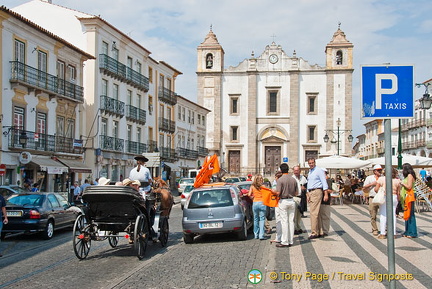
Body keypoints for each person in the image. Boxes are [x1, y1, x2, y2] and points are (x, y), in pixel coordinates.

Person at [273, 163, 298, 247]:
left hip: (283, 201)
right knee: (291, 221)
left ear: (281, 170)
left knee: (284, 221)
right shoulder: (293, 179)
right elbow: (296, 192)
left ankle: (284, 241)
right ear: (288, 169)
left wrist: (273, 192)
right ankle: (291, 240)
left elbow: (278, 192)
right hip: (291, 200)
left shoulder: (280, 180)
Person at [306, 158, 328, 240]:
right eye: (310, 163)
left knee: (313, 212)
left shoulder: (319, 170)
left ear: (315, 163)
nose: (311, 164)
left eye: (312, 163)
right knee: (316, 213)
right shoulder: (310, 172)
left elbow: (324, 182)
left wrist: (326, 194)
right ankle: (319, 231)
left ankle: (314, 232)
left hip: (317, 191)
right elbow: (309, 183)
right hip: (311, 192)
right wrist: (308, 194)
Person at [375, 168, 400, 239]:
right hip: (394, 197)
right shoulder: (397, 181)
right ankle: (393, 233)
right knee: (393, 215)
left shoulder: (381, 179)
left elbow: (376, 189)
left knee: (383, 214)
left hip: (385, 196)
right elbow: (398, 192)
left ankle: (382, 233)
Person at [362, 164, 382, 236]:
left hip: (382, 198)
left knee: (384, 215)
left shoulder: (383, 177)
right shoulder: (369, 178)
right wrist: (371, 184)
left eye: (381, 170)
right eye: (378, 170)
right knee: (373, 215)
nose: (380, 171)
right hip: (373, 197)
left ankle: (385, 229)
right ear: (374, 171)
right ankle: (375, 229)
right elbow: (364, 188)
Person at [247, 174, 268, 240]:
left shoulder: (252, 186)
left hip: (255, 202)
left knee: (255, 219)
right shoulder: (263, 186)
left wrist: (252, 198)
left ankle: (255, 234)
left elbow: (249, 194)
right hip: (262, 202)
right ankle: (261, 235)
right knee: (262, 219)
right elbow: (267, 194)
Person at [400, 163, 418, 238]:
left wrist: (402, 183)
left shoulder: (410, 176)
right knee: (407, 213)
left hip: (410, 195)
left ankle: (412, 232)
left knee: (410, 214)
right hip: (407, 195)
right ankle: (408, 231)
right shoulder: (408, 176)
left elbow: (409, 186)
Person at [292, 165, 307, 233]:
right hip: (295, 197)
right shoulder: (292, 178)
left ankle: (298, 227)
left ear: (300, 171)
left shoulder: (303, 178)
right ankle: (294, 228)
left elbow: (306, 185)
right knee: (294, 214)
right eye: (294, 170)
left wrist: (304, 188)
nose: (296, 172)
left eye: (297, 170)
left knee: (300, 214)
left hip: (301, 197)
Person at [318, 169, 332, 237]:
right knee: (319, 217)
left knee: (326, 216)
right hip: (318, 201)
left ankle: (325, 231)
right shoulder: (318, 181)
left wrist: (323, 189)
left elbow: (330, 190)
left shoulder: (328, 181)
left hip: (326, 201)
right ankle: (320, 230)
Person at [270, 171, 283, 244]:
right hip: (282, 202)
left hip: (278, 203)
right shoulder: (281, 182)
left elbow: (276, 192)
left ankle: (279, 237)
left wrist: (271, 191)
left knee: (278, 220)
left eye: (275, 177)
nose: (274, 179)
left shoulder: (277, 184)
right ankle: (283, 237)